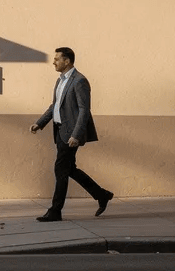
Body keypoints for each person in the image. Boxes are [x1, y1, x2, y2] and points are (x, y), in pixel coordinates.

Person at [30, 47, 113, 222]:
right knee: (69, 170)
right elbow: (55, 106)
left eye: (57, 59)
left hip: (70, 134)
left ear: (67, 61)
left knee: (60, 169)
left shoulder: (79, 81)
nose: (54, 62)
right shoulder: (60, 81)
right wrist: (40, 123)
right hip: (60, 131)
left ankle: (55, 210)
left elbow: (84, 110)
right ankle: (102, 194)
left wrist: (76, 134)